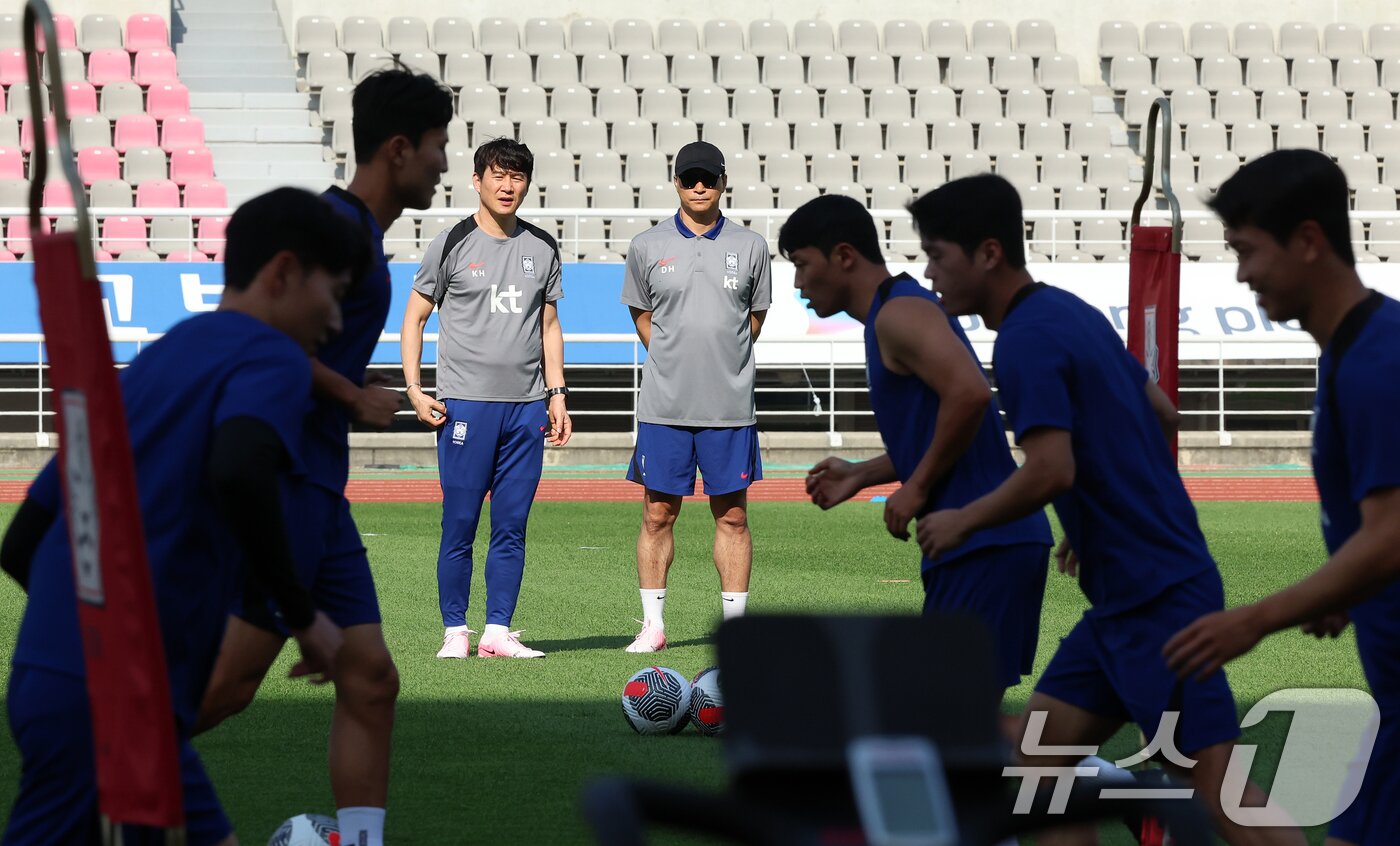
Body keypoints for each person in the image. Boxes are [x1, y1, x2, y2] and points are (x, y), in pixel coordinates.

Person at [908, 174, 1302, 845]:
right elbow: (1159, 410)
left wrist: (962, 518)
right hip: (1124, 599)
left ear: (990, 253)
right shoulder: (1069, 312)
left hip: (1159, 601)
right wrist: (1094, 518)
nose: (930, 273)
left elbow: (1050, 469)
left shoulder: (1026, 339)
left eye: (938, 255)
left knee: (1217, 791)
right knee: (1040, 770)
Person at [0, 188, 364, 846]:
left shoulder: (159, 361)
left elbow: (23, 539)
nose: (336, 320)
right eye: (333, 293)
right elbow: (238, 466)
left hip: (66, 682)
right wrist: (304, 617)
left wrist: (78, 639)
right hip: (113, 701)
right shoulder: (272, 356)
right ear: (282, 273)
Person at [196, 68, 452, 846]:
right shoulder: (334, 233)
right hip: (286, 481)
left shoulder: (362, 241)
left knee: (371, 679)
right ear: (399, 148)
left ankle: (361, 839)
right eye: (438, 147)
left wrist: (346, 382)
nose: (444, 164)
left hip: (322, 489)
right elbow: (256, 336)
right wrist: (350, 394)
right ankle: (93, 757)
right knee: (230, 687)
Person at [1164, 149, 1400, 845]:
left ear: (1307, 241)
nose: (1240, 274)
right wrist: (1345, 591)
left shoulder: (1378, 364)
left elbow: (1390, 536)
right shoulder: (1354, 352)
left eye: (1248, 251)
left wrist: (1253, 622)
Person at [779, 194, 1052, 693]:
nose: (797, 284)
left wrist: (918, 488)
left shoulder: (897, 314)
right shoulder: (890, 314)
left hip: (984, 540)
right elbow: (947, 424)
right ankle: (1077, 769)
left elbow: (970, 395)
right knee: (957, 725)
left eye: (801, 265)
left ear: (843, 256)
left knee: (947, 723)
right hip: (981, 539)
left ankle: (1091, 772)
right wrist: (863, 474)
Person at [402, 136, 570, 660]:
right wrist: (413, 388)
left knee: (513, 524)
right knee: (460, 522)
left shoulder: (542, 247)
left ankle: (498, 631)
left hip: (526, 409)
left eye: (517, 177)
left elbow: (549, 326)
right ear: (477, 181)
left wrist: (557, 393)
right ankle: (456, 631)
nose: (507, 186)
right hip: (465, 406)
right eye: (497, 175)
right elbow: (414, 317)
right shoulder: (451, 243)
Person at [619, 141, 772, 653]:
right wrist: (674, 354)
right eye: (690, 178)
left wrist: (719, 359)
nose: (699, 186)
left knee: (733, 516)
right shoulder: (646, 245)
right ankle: (653, 627)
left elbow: (753, 319)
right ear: (677, 183)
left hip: (729, 408)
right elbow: (642, 316)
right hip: (665, 407)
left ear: (723, 182)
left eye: (708, 178)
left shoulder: (751, 246)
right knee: (657, 513)